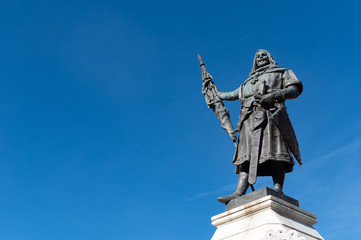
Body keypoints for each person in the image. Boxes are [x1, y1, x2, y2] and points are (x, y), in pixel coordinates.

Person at [217, 49, 303, 204]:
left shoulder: (281, 72)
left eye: (264, 54)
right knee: (245, 155)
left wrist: (276, 95)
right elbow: (230, 95)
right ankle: (239, 192)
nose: (261, 57)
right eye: (258, 56)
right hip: (248, 120)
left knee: (274, 151)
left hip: (270, 116)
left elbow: (294, 90)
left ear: (270, 57)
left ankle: (278, 189)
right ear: (254, 61)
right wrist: (214, 93)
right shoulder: (247, 82)